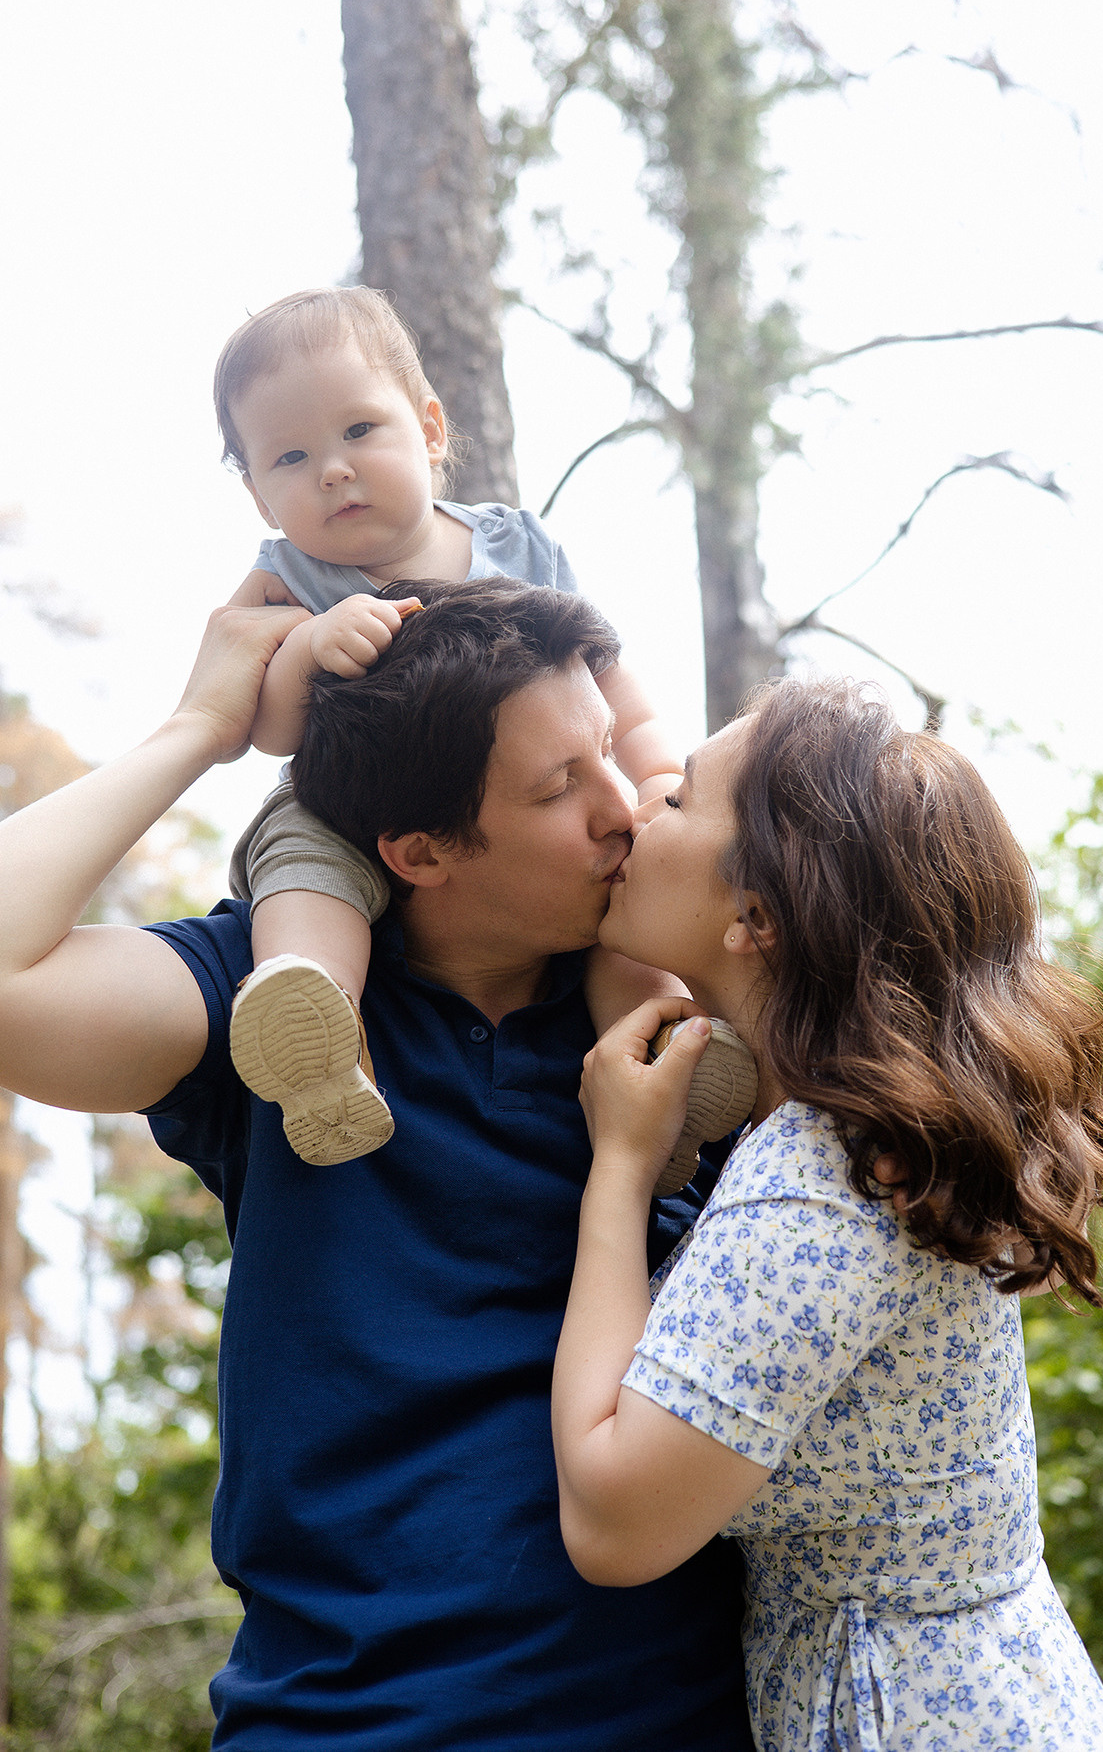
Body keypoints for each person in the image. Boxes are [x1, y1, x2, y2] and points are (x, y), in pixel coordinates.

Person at [0, 587, 755, 1750]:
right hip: (347, 1721)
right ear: (419, 851)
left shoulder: (669, 1021)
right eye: (560, 787)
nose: (623, 811)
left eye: (608, 752)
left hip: (672, 1712)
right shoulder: (280, 1001)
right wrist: (202, 725)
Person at [551, 676, 1103, 1751]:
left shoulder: (823, 1176)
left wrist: (619, 1164)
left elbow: (614, 1522)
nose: (631, 811)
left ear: (754, 915)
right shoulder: (866, 1132)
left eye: (675, 801)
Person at [215, 285, 693, 1166]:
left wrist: (660, 771)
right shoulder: (285, 579)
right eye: (289, 456)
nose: (332, 469)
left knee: (622, 897)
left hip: (523, 805)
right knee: (304, 865)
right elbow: (268, 728)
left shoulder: (515, 547)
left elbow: (608, 677)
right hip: (341, 803)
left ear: (429, 428)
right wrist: (309, 645)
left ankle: (662, 1062)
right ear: (259, 496)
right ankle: (314, 1019)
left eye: (360, 431)